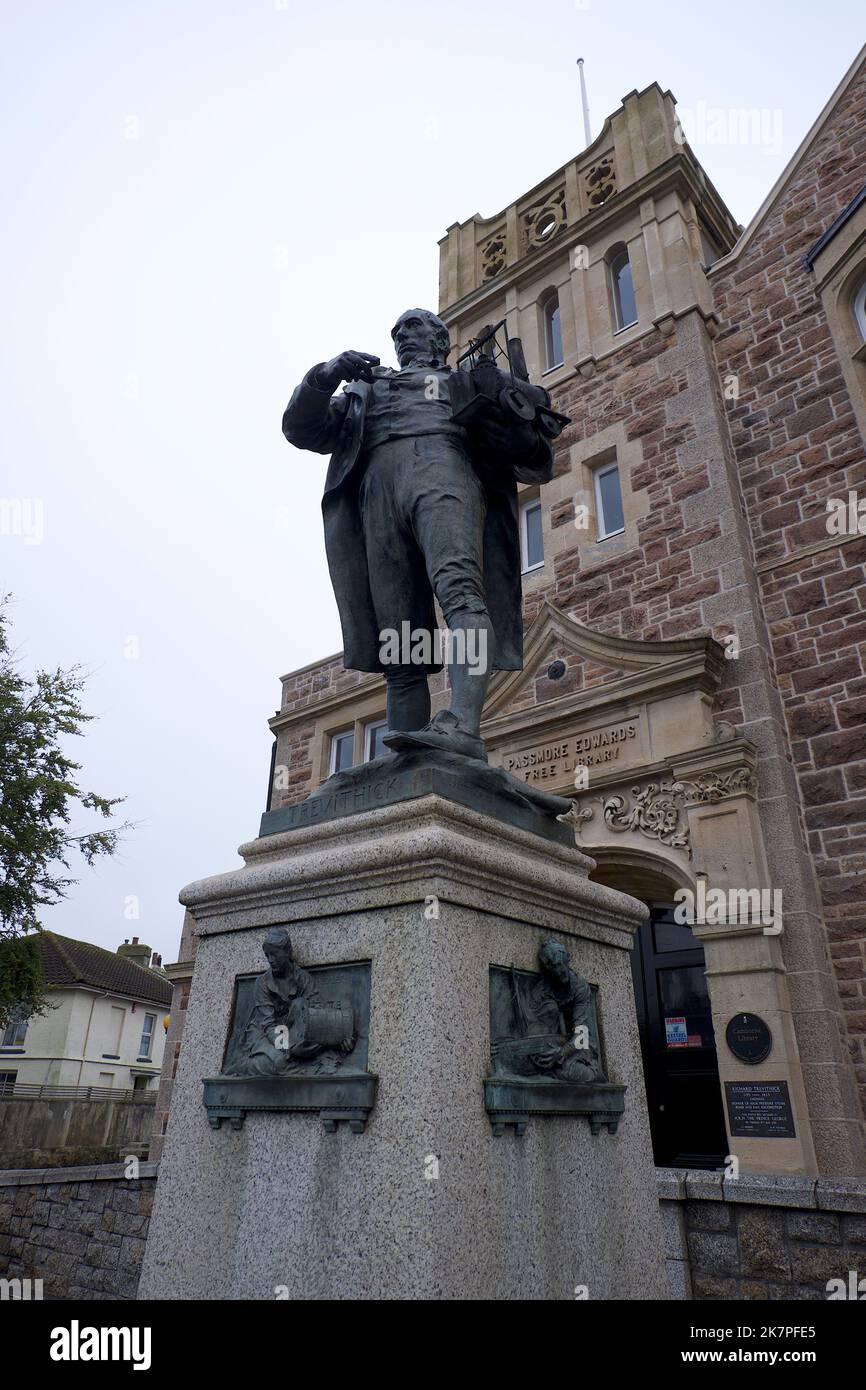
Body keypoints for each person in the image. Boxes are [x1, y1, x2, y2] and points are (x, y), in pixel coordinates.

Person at [281, 308, 555, 761]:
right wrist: (326, 375)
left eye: (414, 326)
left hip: (443, 471)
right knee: (401, 633)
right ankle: (404, 754)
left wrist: (514, 420)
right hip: (377, 494)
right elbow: (301, 427)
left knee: (461, 593)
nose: (401, 335)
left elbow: (536, 454)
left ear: (440, 340)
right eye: (396, 331)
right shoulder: (366, 390)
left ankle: (463, 726)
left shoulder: (465, 381)